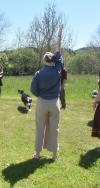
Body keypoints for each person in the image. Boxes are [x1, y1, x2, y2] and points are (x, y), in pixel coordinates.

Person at [30, 24, 64, 161]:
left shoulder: (38, 74)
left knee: (40, 127)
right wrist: (59, 34)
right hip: (55, 102)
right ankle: (54, 155)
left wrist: (40, 94)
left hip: (42, 101)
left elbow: (33, 90)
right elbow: (58, 51)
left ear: (44, 61)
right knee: (54, 128)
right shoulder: (58, 70)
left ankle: (37, 154)